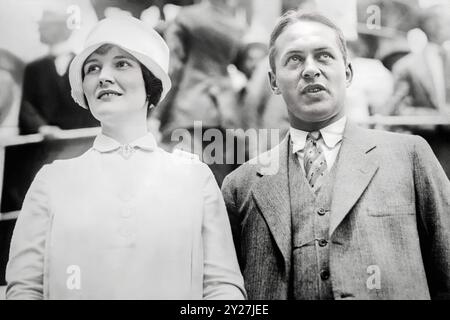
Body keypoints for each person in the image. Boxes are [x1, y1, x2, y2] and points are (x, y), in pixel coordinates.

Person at [6, 16, 245, 300]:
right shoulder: (51, 181)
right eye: (92, 68)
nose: (103, 76)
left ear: (150, 85)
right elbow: (25, 288)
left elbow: (223, 287)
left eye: (122, 63)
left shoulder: (196, 178)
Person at [221, 10, 450, 300]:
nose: (310, 69)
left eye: (324, 56)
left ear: (348, 72)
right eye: (294, 59)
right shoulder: (240, 186)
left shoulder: (409, 156)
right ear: (274, 81)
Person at [153, 0, 244, 186]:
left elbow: (174, 69)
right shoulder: (235, 25)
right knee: (218, 190)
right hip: (225, 114)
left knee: (183, 187)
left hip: (188, 111)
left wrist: (156, 114)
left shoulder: (187, 18)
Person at [19, 10, 99, 135]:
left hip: (85, 138)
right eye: (42, 26)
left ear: (64, 29)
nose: (40, 29)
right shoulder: (33, 69)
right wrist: (42, 128)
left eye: (47, 26)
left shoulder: (85, 65)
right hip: (46, 144)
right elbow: (27, 106)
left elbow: (96, 101)